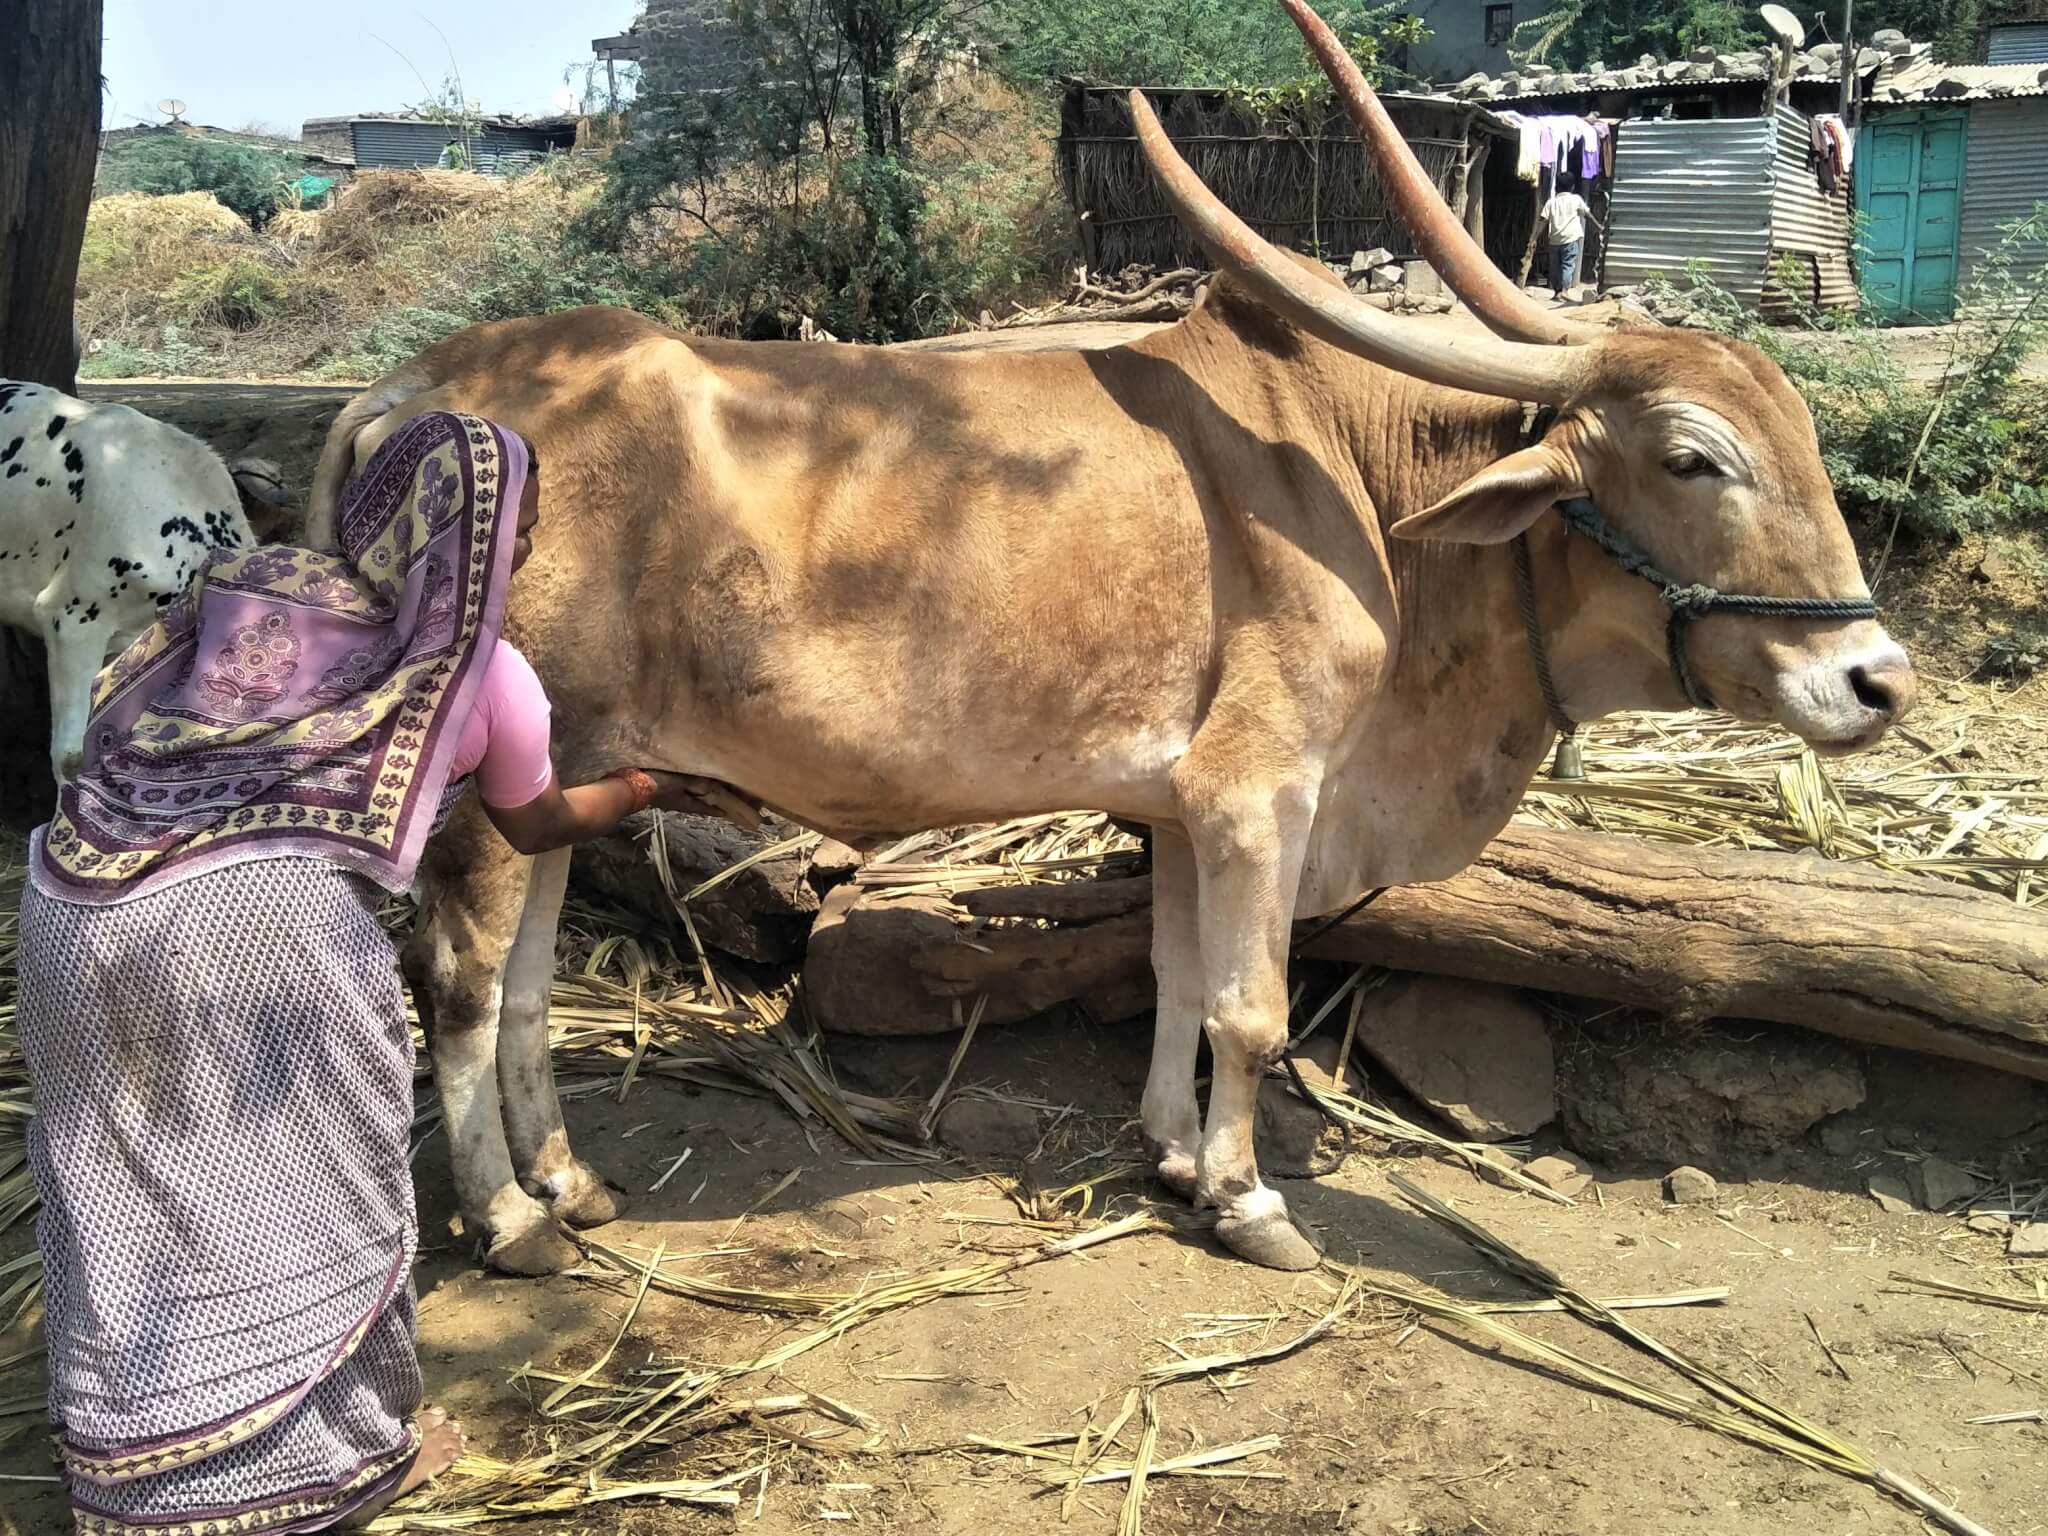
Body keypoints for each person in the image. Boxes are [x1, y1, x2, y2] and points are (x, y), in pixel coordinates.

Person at [20, 411, 748, 1533]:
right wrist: (652, 789)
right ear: (482, 540)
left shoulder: (248, 590)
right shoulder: (480, 667)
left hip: (75, 891)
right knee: (310, 1193)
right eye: (518, 533)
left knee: (127, 1183)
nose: (521, 553)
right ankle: (339, 1465)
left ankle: (133, 1475)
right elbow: (540, 817)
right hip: (261, 926)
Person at [1538, 185, 1600, 297]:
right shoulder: (1576, 199)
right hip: (1570, 239)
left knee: (1555, 267)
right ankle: (1565, 291)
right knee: (1567, 265)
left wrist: (1534, 238)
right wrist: (1598, 226)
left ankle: (1557, 292)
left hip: (1554, 240)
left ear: (1556, 188)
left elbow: (1542, 220)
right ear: (1572, 187)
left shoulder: (1551, 202)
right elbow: (1588, 215)